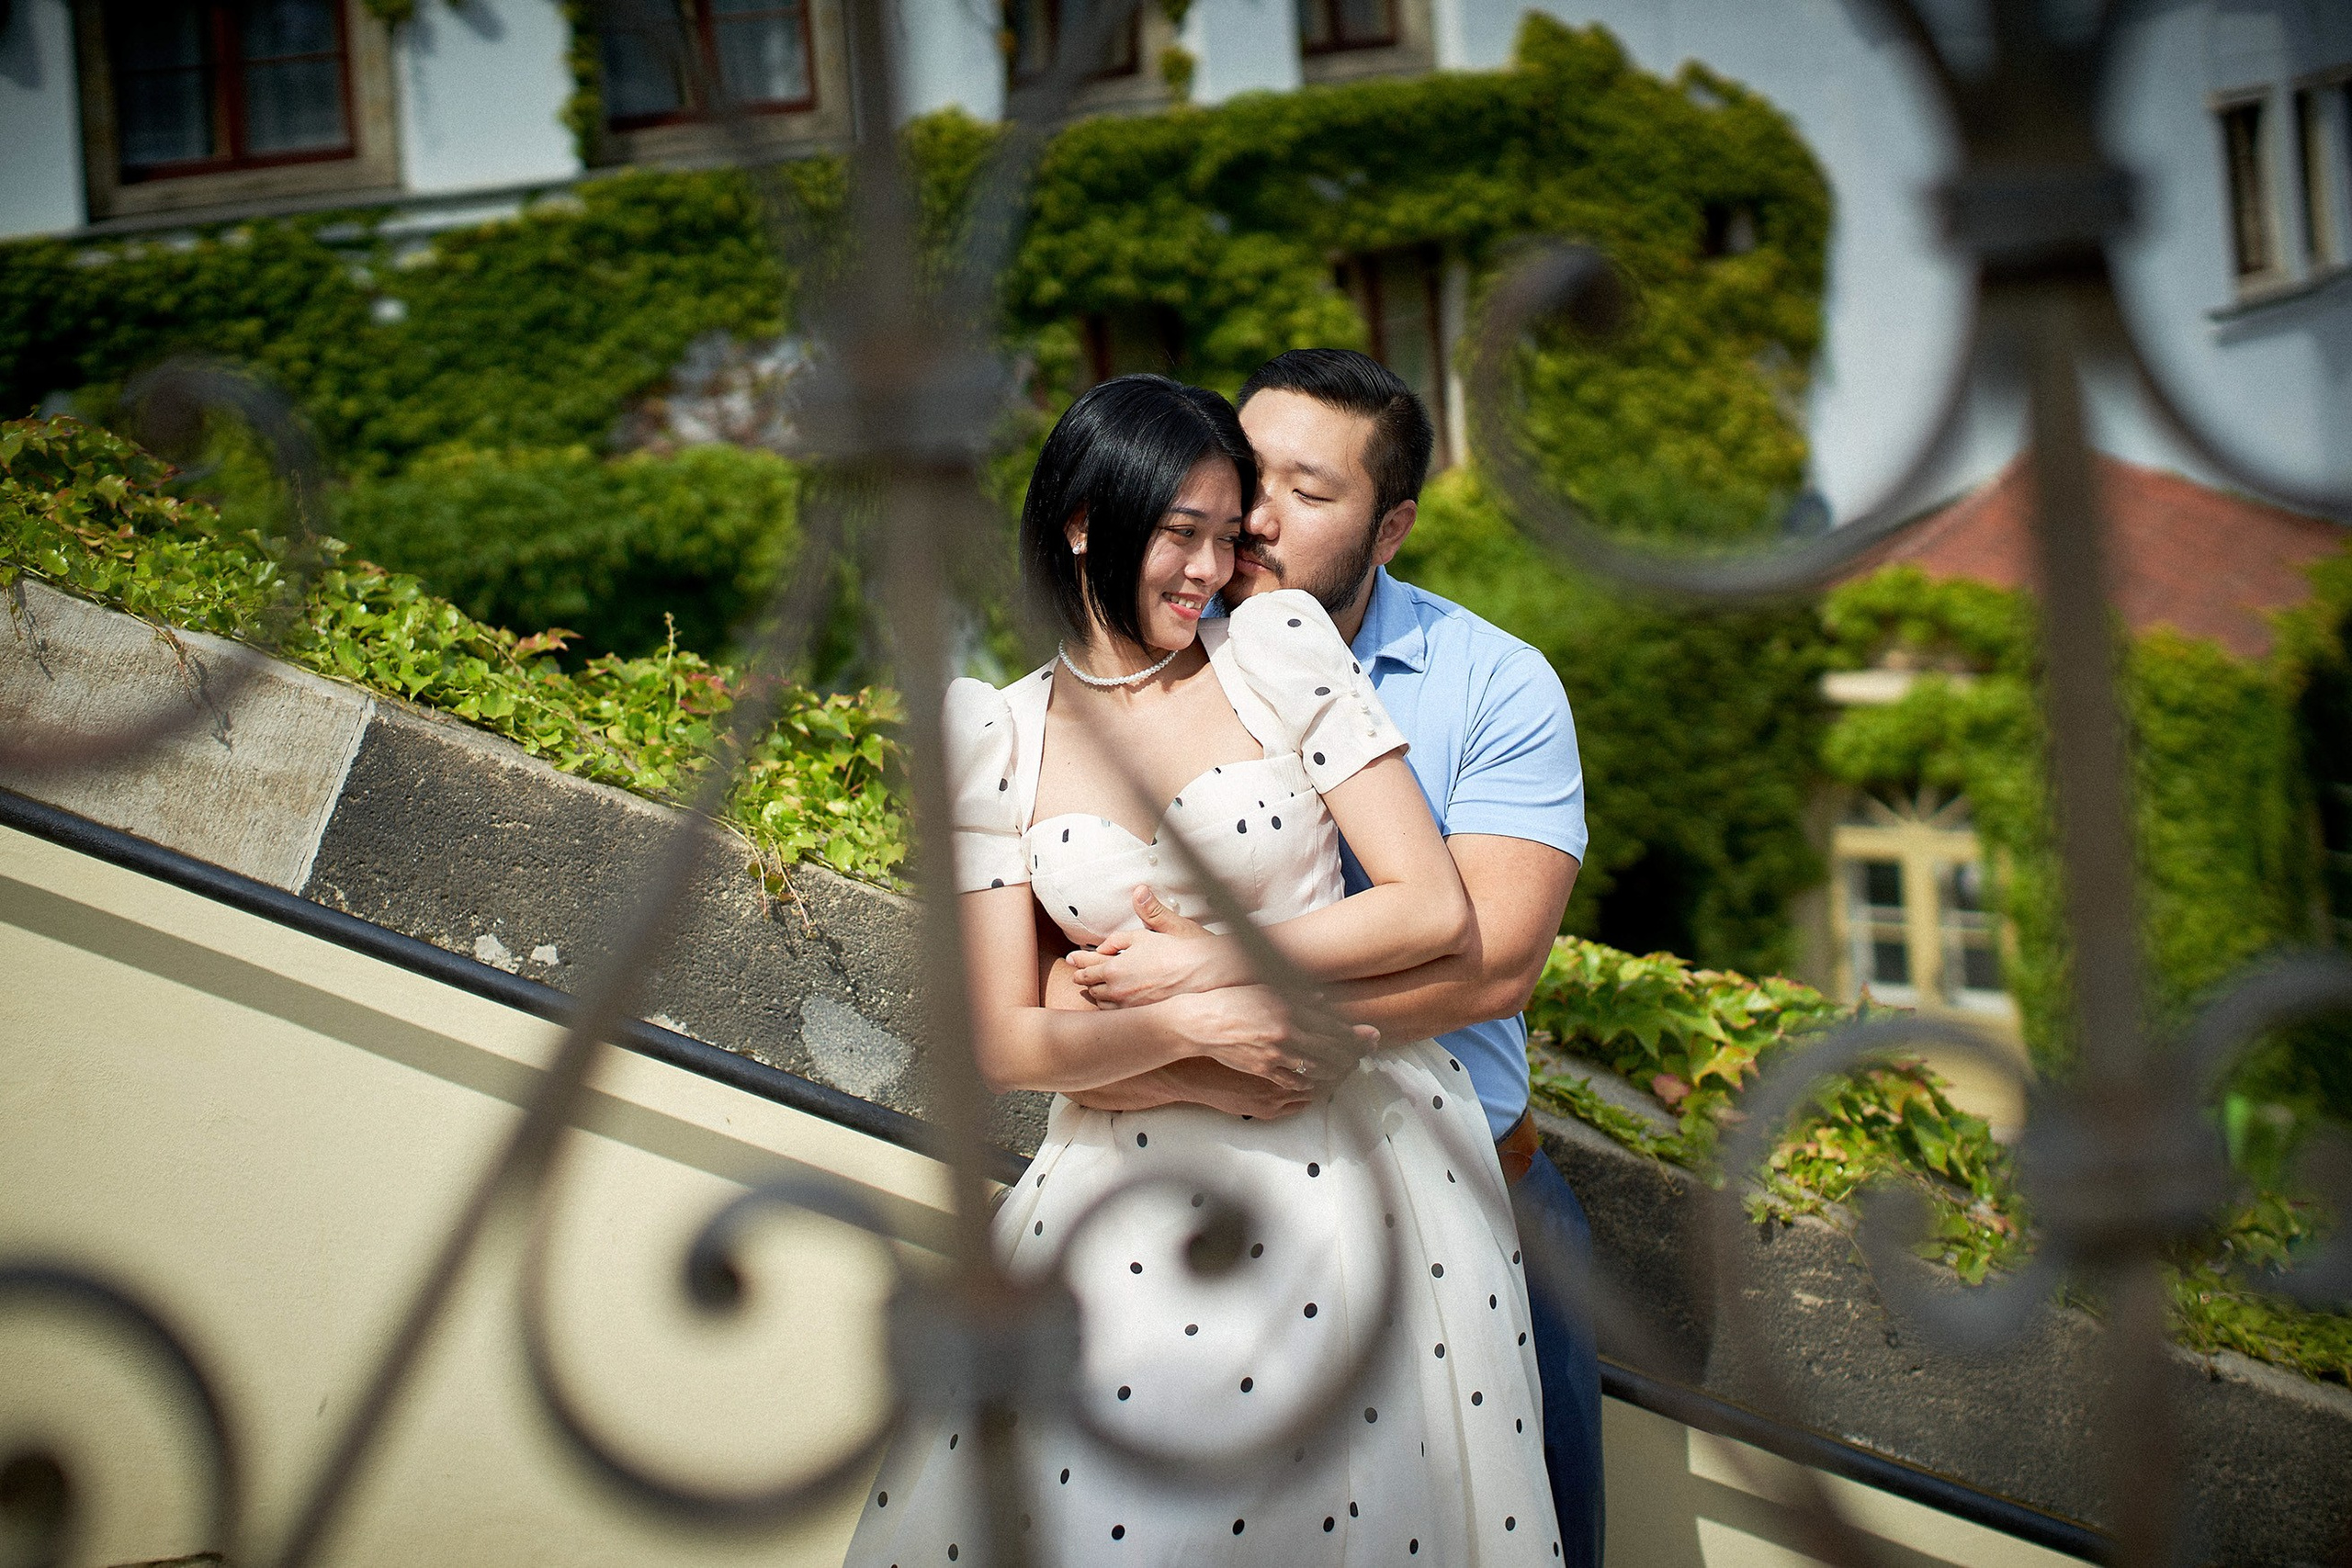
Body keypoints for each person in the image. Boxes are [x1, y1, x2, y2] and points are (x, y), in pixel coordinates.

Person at [842, 373, 1562, 1566]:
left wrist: (1218, 969)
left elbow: (1430, 909)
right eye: (1184, 532)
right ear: (1083, 518)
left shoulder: (1276, 651)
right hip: (1116, 1201)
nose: (1211, 568)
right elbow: (1004, 1040)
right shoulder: (990, 735)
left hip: (1354, 1171)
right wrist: (1200, 1037)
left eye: (1228, 538)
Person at [1057, 350, 1603, 1568]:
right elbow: (1071, 964)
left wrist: (1229, 995)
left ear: (1391, 525)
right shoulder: (1141, 662)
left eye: (1307, 490)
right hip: (1178, 1177)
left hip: (1460, 1185)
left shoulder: (1495, 684)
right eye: (1244, 470)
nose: (1251, 515)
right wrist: (1181, 1056)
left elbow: (1494, 963)